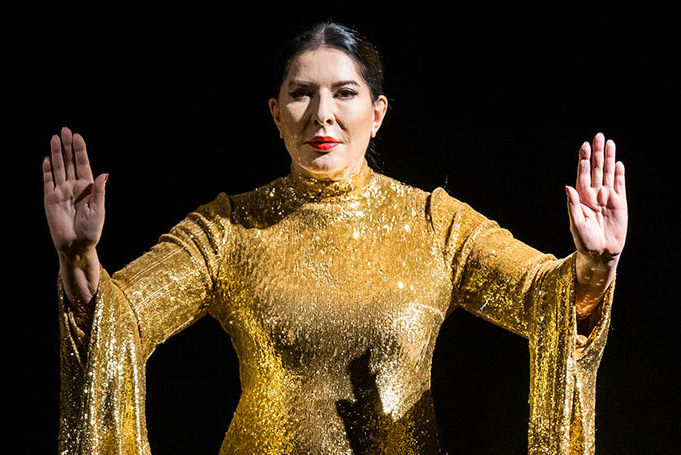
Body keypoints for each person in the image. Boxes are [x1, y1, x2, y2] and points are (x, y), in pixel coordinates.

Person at [44, 22, 627, 455]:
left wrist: (594, 267)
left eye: (345, 93)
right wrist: (78, 258)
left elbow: (543, 296)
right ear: (275, 113)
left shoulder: (434, 222)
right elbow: (117, 319)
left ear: (377, 113)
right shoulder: (227, 229)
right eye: (301, 94)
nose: (322, 113)